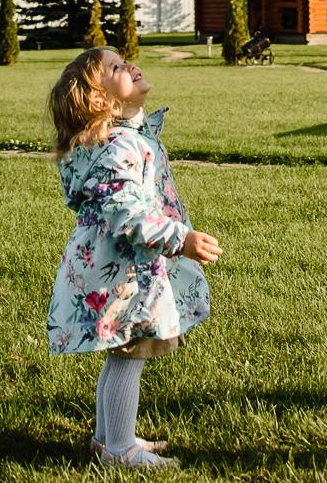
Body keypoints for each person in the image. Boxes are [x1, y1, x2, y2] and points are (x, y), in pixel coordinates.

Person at [47, 47, 220, 469]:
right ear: (100, 99)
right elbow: (127, 213)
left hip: (115, 265)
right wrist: (180, 239)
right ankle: (120, 451)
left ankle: (107, 437)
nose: (131, 65)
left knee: (121, 354)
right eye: (117, 67)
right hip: (124, 273)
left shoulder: (117, 139)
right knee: (131, 353)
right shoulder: (119, 146)